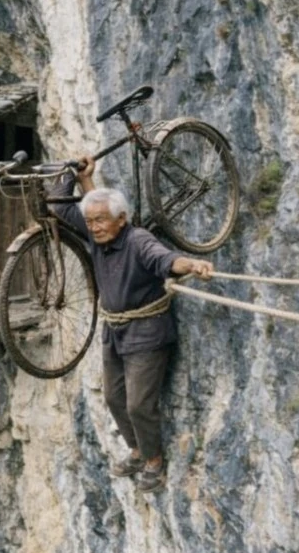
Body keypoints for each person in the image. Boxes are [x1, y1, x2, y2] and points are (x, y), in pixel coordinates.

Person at [47, 154, 213, 493]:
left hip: (147, 333)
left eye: (100, 221)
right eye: (90, 222)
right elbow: (59, 207)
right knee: (113, 397)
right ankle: (137, 450)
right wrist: (75, 175)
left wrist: (192, 265)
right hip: (115, 331)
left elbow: (165, 259)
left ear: (121, 219)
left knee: (138, 404)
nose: (93, 227)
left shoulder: (138, 240)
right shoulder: (98, 235)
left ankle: (153, 461)